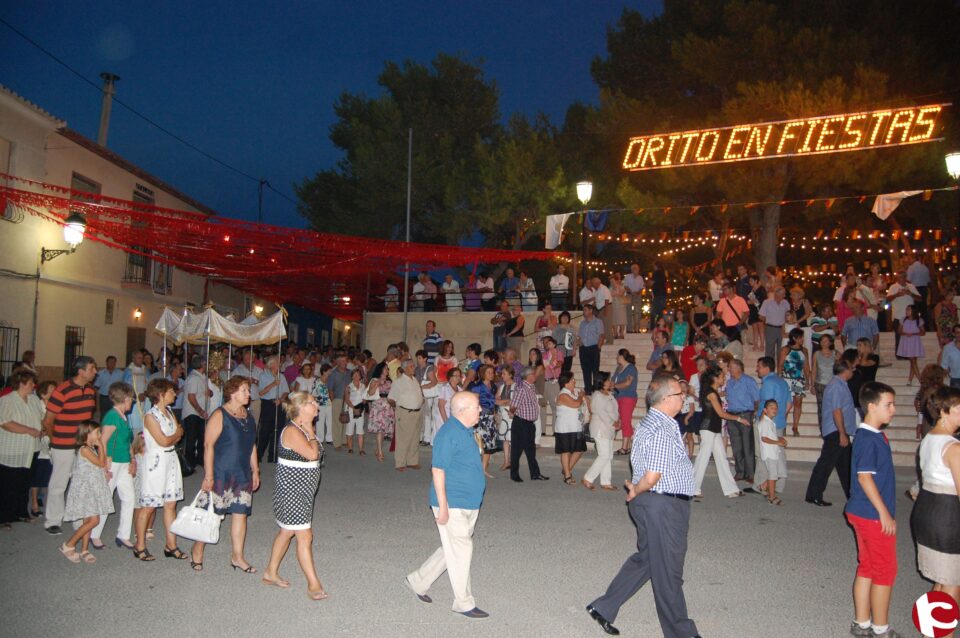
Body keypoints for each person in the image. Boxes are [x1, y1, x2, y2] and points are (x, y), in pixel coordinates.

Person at [586, 374, 699, 638]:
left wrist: (639, 491)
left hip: (655, 503)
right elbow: (652, 475)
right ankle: (681, 632)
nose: (684, 398)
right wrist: (636, 490)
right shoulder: (661, 428)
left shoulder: (657, 422)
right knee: (668, 571)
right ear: (665, 399)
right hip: (662, 503)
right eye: (679, 394)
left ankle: (603, 607)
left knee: (649, 560)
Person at [405, 391, 488, 618]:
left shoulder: (466, 430)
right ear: (462, 410)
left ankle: (418, 581)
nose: (480, 409)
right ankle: (464, 602)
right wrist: (442, 506)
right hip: (452, 502)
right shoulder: (448, 433)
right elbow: (438, 469)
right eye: (476, 406)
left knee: (451, 547)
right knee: (462, 549)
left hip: (469, 502)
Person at [845, 381, 900, 638]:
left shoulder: (872, 435)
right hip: (871, 514)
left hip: (863, 511)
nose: (893, 410)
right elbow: (864, 477)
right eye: (888, 404)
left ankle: (862, 622)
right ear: (871, 406)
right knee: (884, 570)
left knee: (867, 566)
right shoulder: (868, 438)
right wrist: (884, 512)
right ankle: (880, 629)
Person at [262, 391, 327, 600]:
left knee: (287, 531)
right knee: (304, 536)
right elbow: (312, 454)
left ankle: (270, 572)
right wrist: (310, 430)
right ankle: (313, 584)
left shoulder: (303, 428)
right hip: (292, 491)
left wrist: (309, 430)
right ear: (301, 408)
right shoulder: (292, 431)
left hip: (302, 490)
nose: (316, 405)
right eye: (312, 402)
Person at [191, 376, 259, 573]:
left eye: (248, 390)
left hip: (242, 471)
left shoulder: (247, 414)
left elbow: (252, 444)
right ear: (232, 393)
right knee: (212, 514)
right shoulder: (220, 414)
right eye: (244, 390)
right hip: (222, 470)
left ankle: (237, 557)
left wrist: (255, 469)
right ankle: (198, 549)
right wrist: (209, 475)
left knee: (240, 514)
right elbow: (208, 445)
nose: (249, 394)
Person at [911, 386, 960, 615]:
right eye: (959, 409)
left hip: (927, 511)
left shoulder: (929, 438)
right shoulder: (953, 447)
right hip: (947, 517)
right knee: (952, 582)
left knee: (941, 580)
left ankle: (931, 630)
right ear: (943, 412)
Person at [42, 356, 97, 535]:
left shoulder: (90, 390)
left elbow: (87, 419)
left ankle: (77, 519)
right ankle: (53, 520)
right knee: (59, 483)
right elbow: (48, 421)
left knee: (80, 482)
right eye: (92, 369)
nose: (95, 372)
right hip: (62, 444)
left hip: (81, 445)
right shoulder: (62, 390)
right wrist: (55, 440)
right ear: (80, 371)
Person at [133, 378, 185, 562]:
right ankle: (139, 545)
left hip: (170, 459)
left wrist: (175, 435)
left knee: (171, 504)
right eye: (171, 391)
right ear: (161, 394)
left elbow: (176, 435)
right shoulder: (150, 416)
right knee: (148, 506)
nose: (175, 394)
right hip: (156, 462)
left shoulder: (169, 412)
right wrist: (176, 434)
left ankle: (171, 544)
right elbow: (163, 440)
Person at [804, 358, 857, 506]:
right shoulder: (836, 386)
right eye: (851, 368)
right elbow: (836, 410)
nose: (853, 371)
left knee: (845, 465)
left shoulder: (840, 385)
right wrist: (841, 432)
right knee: (826, 464)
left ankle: (852, 496)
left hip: (839, 430)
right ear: (845, 370)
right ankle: (814, 494)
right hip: (836, 430)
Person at [59, 421, 114, 564]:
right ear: (87, 433)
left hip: (92, 487)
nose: (99, 435)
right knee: (93, 520)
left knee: (88, 520)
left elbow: (99, 465)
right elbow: (100, 463)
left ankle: (84, 549)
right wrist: (101, 445)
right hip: (85, 489)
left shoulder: (90, 447)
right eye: (97, 432)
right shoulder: (84, 449)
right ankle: (69, 544)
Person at [90, 382, 136, 549]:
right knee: (106, 497)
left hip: (123, 462)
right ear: (124, 399)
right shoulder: (112, 416)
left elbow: (127, 440)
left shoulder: (123, 416)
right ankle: (94, 534)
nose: (132, 402)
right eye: (131, 399)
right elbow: (102, 441)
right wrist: (104, 463)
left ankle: (123, 534)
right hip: (112, 462)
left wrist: (132, 459)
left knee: (129, 497)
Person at [0, 369, 43, 528]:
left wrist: (41, 429)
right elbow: (5, 423)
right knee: (8, 484)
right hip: (12, 449)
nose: (34, 385)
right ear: (21, 383)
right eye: (31, 382)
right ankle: (4, 516)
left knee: (24, 483)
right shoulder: (7, 400)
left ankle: (20, 512)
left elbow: (40, 418)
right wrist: (28, 430)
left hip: (31, 449)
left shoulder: (34, 400)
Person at [693, 370, 745, 499]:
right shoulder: (711, 393)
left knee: (721, 458)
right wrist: (738, 418)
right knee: (703, 458)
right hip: (708, 428)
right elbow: (721, 413)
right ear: (715, 378)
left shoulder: (713, 391)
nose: (724, 379)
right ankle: (692, 488)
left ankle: (731, 489)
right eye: (722, 377)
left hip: (714, 428)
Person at [509, 366, 548, 482]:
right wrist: (512, 414)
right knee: (517, 450)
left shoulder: (531, 387)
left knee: (531, 450)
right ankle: (514, 475)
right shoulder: (522, 389)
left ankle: (535, 474)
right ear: (529, 376)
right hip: (521, 423)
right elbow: (514, 405)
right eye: (534, 374)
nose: (536, 376)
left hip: (530, 424)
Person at [581, 374, 619, 491]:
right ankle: (588, 478)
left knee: (608, 456)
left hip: (609, 429)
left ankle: (606, 481)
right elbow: (600, 412)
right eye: (607, 380)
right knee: (604, 455)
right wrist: (613, 422)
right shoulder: (597, 395)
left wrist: (617, 421)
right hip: (600, 428)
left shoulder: (609, 394)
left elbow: (614, 410)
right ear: (601, 382)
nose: (610, 381)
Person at [724, 360, 759, 483]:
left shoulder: (749, 381)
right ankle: (740, 471)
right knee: (736, 445)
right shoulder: (729, 382)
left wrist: (753, 414)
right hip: (732, 415)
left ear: (739, 368)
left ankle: (750, 473)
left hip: (745, 414)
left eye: (732, 367)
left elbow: (756, 399)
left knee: (747, 445)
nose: (730, 370)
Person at [388, 359, 425, 471]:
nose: (414, 368)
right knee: (403, 439)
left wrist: (420, 400)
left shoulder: (415, 380)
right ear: (404, 368)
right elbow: (390, 399)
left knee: (414, 438)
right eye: (411, 366)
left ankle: (412, 461)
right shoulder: (398, 382)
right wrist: (398, 408)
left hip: (417, 412)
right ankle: (400, 463)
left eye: (413, 366)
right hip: (405, 412)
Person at [554, 371, 586, 485]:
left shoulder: (574, 392)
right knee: (566, 451)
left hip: (576, 427)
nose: (574, 381)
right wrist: (581, 396)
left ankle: (566, 468)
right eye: (572, 380)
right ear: (566, 383)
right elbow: (576, 404)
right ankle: (567, 475)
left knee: (579, 450)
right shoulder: (563, 395)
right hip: (565, 428)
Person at [468, 365, 500, 478]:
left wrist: (495, 414)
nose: (491, 374)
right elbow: (474, 403)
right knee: (479, 444)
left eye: (492, 372)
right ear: (483, 373)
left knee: (489, 445)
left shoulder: (494, 386)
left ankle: (483, 469)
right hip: (481, 418)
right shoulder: (478, 387)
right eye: (489, 372)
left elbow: (495, 402)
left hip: (490, 418)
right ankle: (473, 469)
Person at [779, 327, 810, 438]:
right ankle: (783, 426)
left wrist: (808, 381)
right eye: (800, 337)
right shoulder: (785, 349)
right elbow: (780, 364)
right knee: (786, 404)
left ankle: (795, 426)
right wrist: (779, 378)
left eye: (802, 337)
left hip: (798, 380)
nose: (802, 339)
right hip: (786, 379)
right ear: (794, 338)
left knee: (798, 403)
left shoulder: (804, 350)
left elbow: (806, 367)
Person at [258, 356, 290, 463]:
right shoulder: (263, 375)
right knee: (265, 430)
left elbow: (286, 391)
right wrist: (273, 384)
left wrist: (281, 399)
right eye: (277, 363)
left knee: (278, 430)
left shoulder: (282, 376)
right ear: (271, 365)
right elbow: (261, 392)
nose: (279, 365)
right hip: (268, 404)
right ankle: (258, 454)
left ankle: (273, 455)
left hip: (279, 403)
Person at [181, 356, 209, 473]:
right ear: (202, 365)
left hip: (200, 413)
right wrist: (200, 410)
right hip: (193, 412)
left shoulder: (202, 377)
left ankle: (199, 459)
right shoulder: (193, 378)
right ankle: (189, 463)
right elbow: (191, 397)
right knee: (192, 439)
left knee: (202, 437)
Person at [757, 400, 788, 505]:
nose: (774, 409)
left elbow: (770, 436)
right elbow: (764, 438)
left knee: (780, 473)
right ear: (765, 410)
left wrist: (780, 439)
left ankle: (764, 486)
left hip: (774, 452)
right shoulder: (764, 423)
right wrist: (778, 442)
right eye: (771, 407)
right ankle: (771, 497)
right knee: (773, 475)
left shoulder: (771, 423)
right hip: (769, 453)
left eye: (775, 408)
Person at [885, 272, 920, 357]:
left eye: (902, 277)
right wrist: (897, 295)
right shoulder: (893, 287)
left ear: (905, 277)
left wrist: (910, 293)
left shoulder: (911, 286)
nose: (900, 279)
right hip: (898, 315)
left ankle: (910, 353)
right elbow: (887, 299)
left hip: (910, 317)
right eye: (899, 277)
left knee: (910, 336)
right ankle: (900, 355)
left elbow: (919, 298)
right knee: (899, 336)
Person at [365, 362, 394, 462]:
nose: (387, 370)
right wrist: (378, 383)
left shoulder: (389, 381)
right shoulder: (374, 380)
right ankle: (380, 453)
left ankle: (378, 449)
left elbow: (392, 394)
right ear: (381, 369)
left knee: (383, 431)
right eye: (386, 368)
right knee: (380, 430)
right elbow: (370, 393)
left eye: (387, 369)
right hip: (378, 406)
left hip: (387, 406)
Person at [612, 349, 638, 456]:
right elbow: (613, 380)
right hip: (617, 396)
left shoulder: (631, 368)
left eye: (618, 355)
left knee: (626, 421)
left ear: (622, 356)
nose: (616, 357)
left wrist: (614, 386)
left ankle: (625, 447)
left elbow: (628, 383)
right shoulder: (619, 368)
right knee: (619, 420)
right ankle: (627, 444)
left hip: (628, 397)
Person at [577, 304, 604, 395]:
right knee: (585, 370)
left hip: (594, 348)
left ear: (591, 310)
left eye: (585, 310)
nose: (583, 312)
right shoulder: (582, 323)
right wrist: (579, 346)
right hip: (584, 349)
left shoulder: (598, 322)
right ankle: (588, 390)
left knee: (595, 370)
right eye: (583, 310)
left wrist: (598, 347)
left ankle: (596, 390)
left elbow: (601, 335)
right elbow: (580, 336)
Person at [326, 354, 351, 450]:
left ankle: (344, 440)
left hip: (347, 399)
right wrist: (333, 400)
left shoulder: (349, 372)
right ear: (338, 362)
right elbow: (330, 389)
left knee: (346, 419)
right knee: (337, 421)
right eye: (343, 361)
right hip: (337, 399)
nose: (345, 363)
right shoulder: (333, 373)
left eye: (346, 361)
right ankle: (337, 443)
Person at [896, 304, 925, 385]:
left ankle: (910, 380)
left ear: (913, 311)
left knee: (913, 361)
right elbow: (899, 331)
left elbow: (923, 332)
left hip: (915, 341)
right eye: (906, 309)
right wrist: (905, 333)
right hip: (906, 341)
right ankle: (921, 380)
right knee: (912, 361)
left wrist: (914, 334)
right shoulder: (903, 320)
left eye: (908, 309)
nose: (906, 311)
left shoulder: (919, 320)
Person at [759, 286, 790, 361]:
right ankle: (769, 369)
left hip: (782, 328)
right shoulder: (767, 302)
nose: (784, 295)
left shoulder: (785, 302)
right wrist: (769, 322)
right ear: (777, 293)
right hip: (770, 328)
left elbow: (789, 315)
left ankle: (780, 369)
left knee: (782, 350)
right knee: (769, 350)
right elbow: (761, 316)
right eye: (783, 294)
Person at [343, 369, 367, 456]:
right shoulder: (349, 386)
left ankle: (361, 449)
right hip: (351, 410)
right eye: (355, 374)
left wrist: (363, 404)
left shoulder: (363, 386)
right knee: (350, 430)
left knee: (360, 430)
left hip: (360, 410)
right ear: (352, 376)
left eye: (358, 374)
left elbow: (365, 397)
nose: (356, 376)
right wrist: (353, 408)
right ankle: (350, 448)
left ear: (360, 376)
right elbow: (347, 399)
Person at [312, 364, 334, 445]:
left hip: (329, 403)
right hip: (320, 404)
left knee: (329, 421)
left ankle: (329, 438)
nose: (330, 372)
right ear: (324, 371)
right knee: (320, 422)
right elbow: (313, 393)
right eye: (329, 370)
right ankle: (320, 439)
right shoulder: (317, 381)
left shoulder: (330, 380)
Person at [907, 253, 931, 322]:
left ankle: (916, 323)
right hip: (924, 289)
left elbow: (908, 280)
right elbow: (928, 280)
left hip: (915, 289)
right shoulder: (925, 267)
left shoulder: (911, 267)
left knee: (915, 308)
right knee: (924, 307)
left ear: (914, 259)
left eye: (910, 259)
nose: (909, 260)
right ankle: (925, 324)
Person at [624, 263, 646, 334]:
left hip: (638, 295)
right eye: (635, 268)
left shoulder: (640, 278)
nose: (636, 270)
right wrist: (632, 292)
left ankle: (637, 329)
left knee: (638, 312)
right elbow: (625, 286)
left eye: (637, 269)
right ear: (632, 269)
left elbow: (642, 287)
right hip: (629, 295)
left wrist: (637, 292)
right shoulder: (627, 277)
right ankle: (629, 329)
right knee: (628, 312)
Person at [553, 311, 575, 375]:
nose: (565, 318)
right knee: (560, 369)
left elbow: (574, 339)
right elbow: (553, 339)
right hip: (559, 350)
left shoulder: (571, 328)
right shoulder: (556, 327)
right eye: (563, 317)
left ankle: (566, 383)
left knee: (568, 369)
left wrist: (574, 349)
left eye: (566, 317)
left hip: (569, 350)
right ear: (560, 318)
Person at [609, 272, 628, 340]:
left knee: (621, 319)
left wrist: (615, 292)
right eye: (611, 281)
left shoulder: (621, 286)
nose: (612, 282)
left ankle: (621, 334)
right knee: (614, 320)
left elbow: (620, 294)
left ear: (616, 281)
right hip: (613, 305)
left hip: (621, 305)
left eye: (613, 281)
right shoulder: (610, 288)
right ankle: (615, 333)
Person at [940, 323, 960, 388]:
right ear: (954, 334)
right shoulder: (947, 348)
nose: (959, 335)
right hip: (955, 379)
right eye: (957, 332)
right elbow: (944, 365)